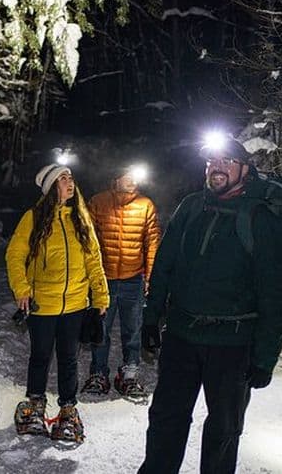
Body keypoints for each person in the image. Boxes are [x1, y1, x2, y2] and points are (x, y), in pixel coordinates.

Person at [138, 135, 282, 473]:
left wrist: (265, 356)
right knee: (166, 418)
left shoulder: (261, 218)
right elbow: (164, 264)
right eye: (212, 161)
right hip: (181, 336)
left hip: (233, 344)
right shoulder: (192, 206)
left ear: (244, 170)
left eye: (227, 161)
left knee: (224, 429)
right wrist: (150, 319)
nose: (217, 167)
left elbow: (275, 292)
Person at [5, 163, 109, 442]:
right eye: (62, 178)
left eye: (70, 177)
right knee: (40, 356)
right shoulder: (35, 217)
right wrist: (22, 288)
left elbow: (93, 260)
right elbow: (15, 254)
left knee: (68, 359)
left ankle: (67, 409)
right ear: (52, 187)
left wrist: (100, 295)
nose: (69, 182)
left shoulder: (81, 218)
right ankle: (36, 405)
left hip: (75, 304)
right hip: (42, 304)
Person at [81, 165, 161, 397]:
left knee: (133, 329)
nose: (133, 180)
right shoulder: (98, 202)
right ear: (116, 178)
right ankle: (98, 373)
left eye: (136, 176)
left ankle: (130, 373)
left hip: (133, 278)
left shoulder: (145, 205)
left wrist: (150, 275)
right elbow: (88, 238)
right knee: (101, 328)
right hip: (103, 279)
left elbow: (153, 241)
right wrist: (90, 274)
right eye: (128, 176)